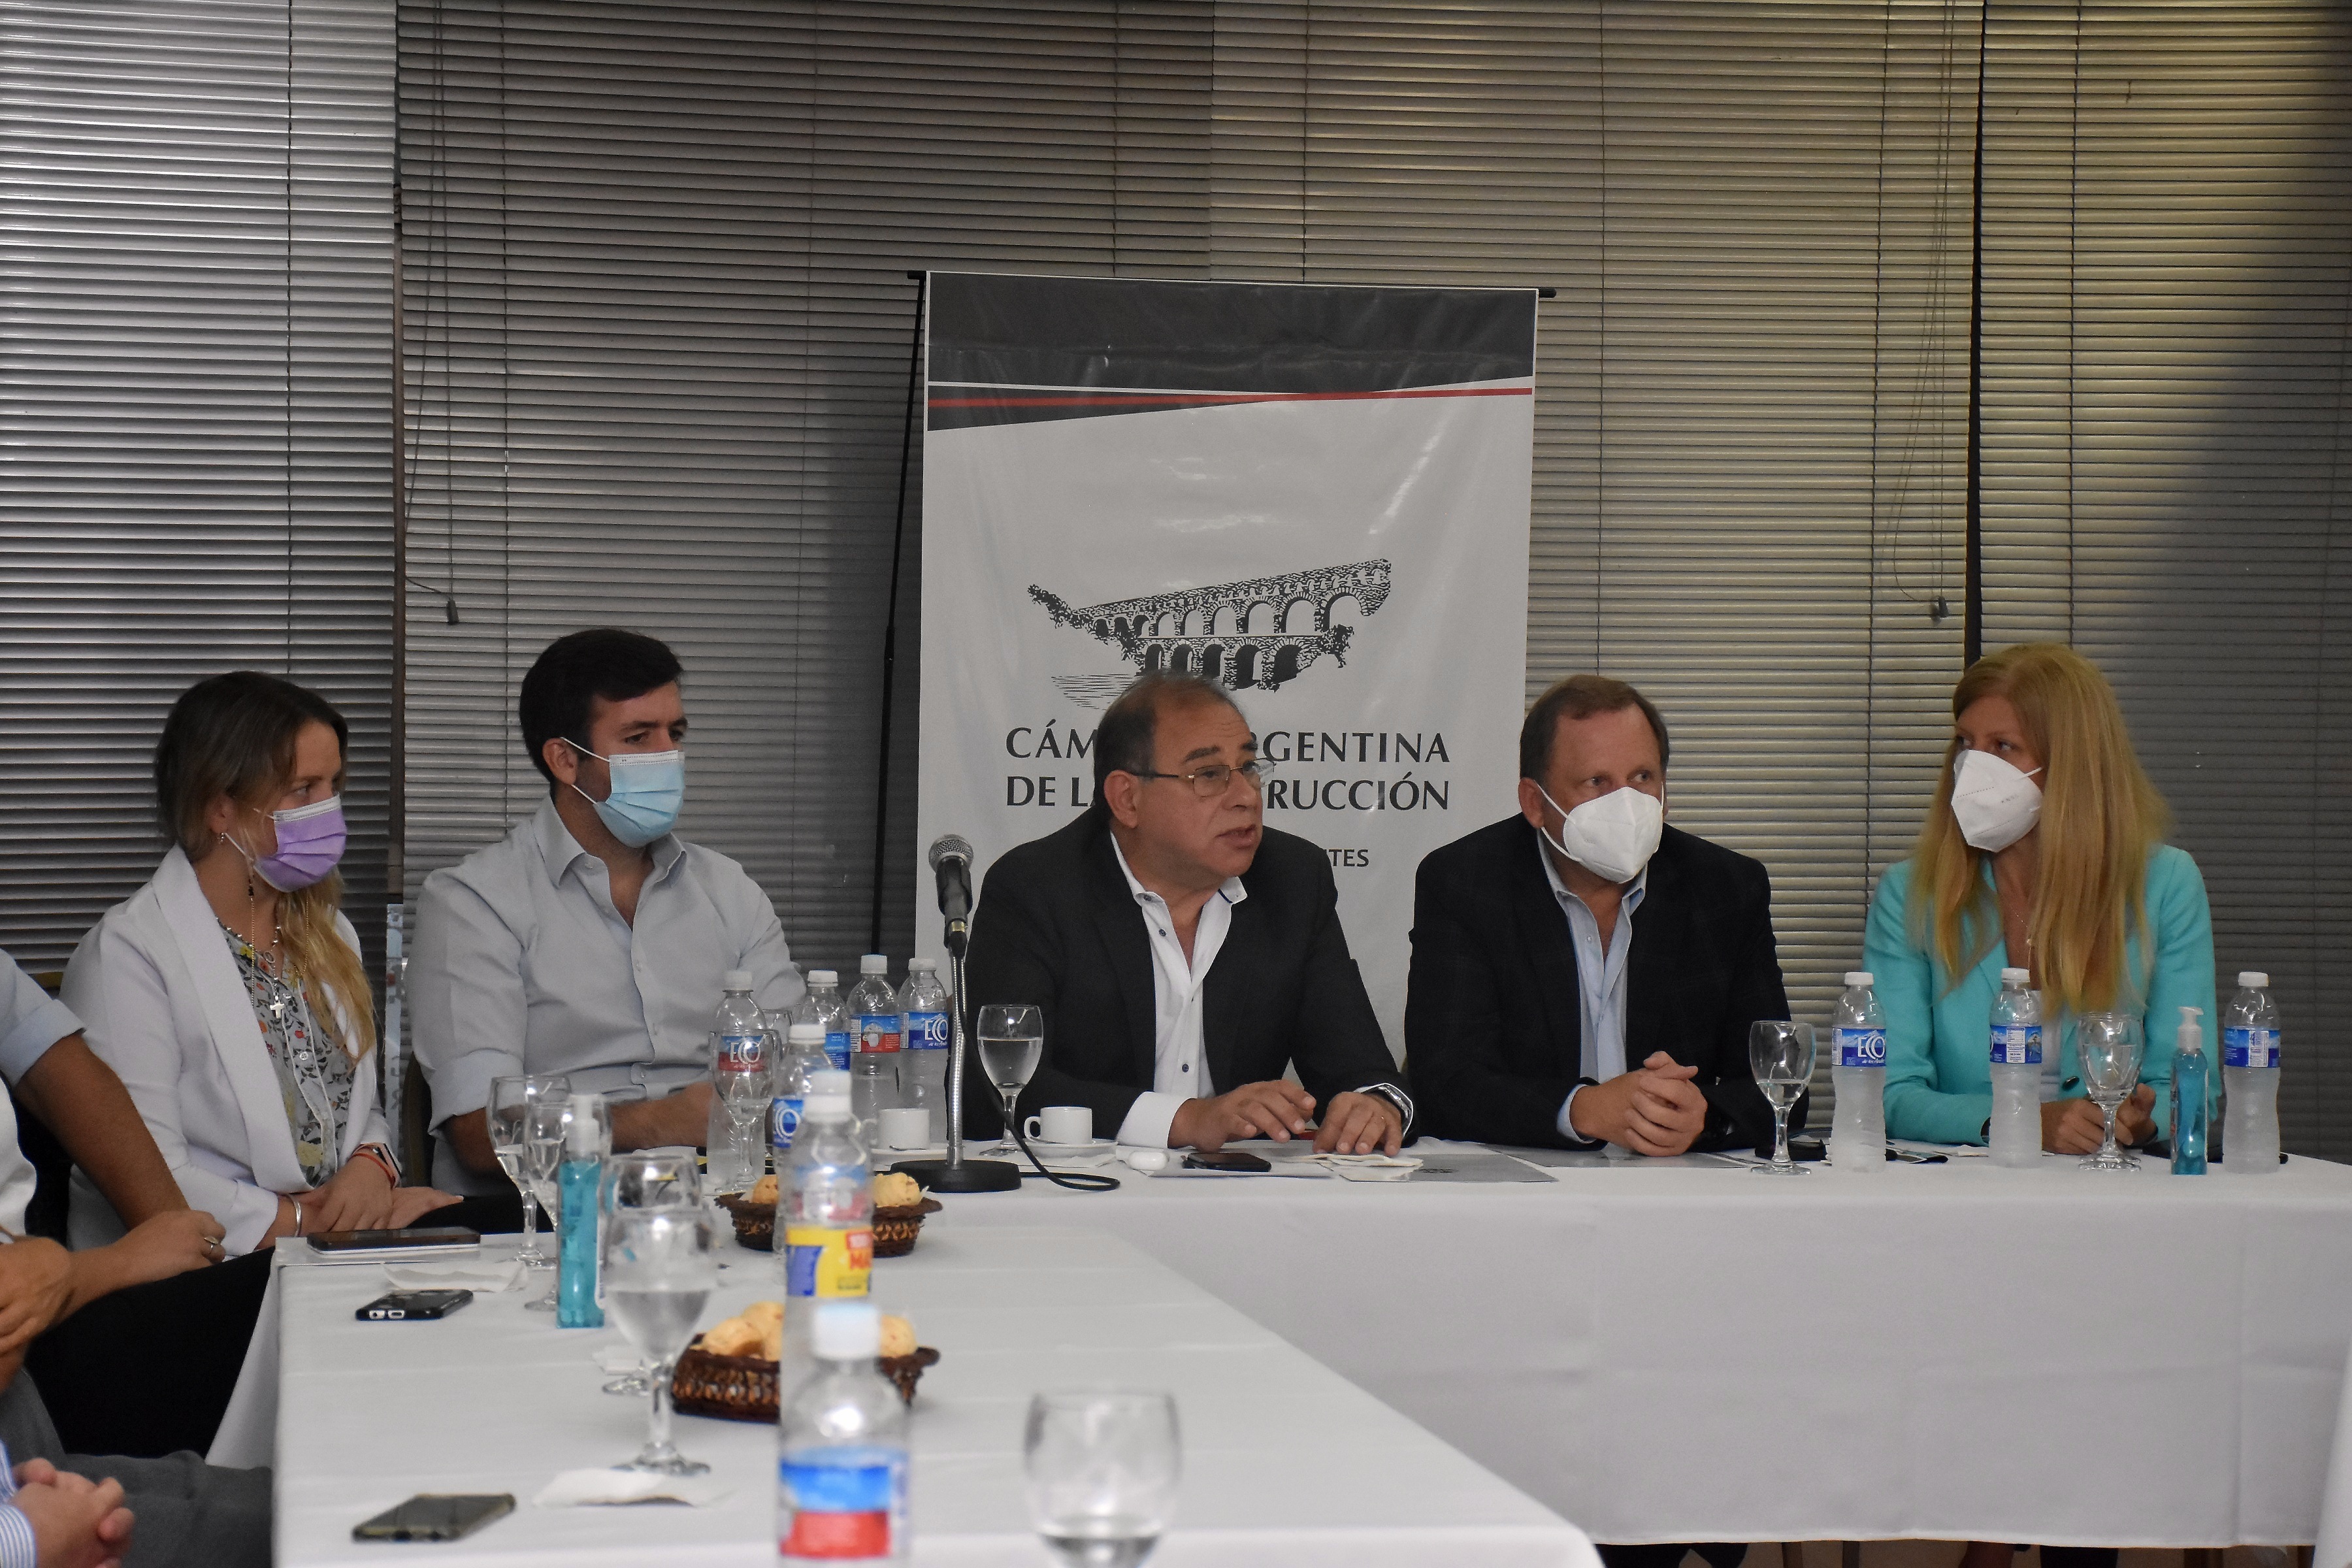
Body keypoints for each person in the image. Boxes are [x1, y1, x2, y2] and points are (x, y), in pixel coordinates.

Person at [65, 672, 457, 1257]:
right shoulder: (128, 955)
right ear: (220, 808)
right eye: (303, 790)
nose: (328, 811)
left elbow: (350, 1110)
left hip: (325, 1251)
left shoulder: (330, 934)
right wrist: (309, 1222)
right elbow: (149, 1176)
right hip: (197, 1272)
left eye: (333, 786)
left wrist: (373, 1168)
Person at [411, 629, 805, 1196]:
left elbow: (796, 1069)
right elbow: (479, 1133)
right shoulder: (475, 902)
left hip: (728, 1195)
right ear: (565, 760)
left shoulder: (730, 891)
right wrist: (658, 1123)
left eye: (675, 734)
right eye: (639, 737)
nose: (667, 756)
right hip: (547, 1211)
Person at [962, 673, 1411, 1155]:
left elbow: (1364, 1070)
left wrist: (1375, 1107)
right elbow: (996, 1091)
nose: (1246, 796)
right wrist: (1187, 1119)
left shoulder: (1293, 880)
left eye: (1249, 767)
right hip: (1086, 1183)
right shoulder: (1037, 889)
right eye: (1209, 775)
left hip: (1239, 1191)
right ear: (1127, 798)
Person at [1407, 674, 1789, 1156]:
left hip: (1675, 1184)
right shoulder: (1465, 883)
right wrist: (1582, 1109)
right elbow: (1444, 1083)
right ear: (1534, 803)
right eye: (1597, 783)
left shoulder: (1726, 888)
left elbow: (1781, 1084)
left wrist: (1704, 1118)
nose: (1625, 804)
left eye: (1642, 778)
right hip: (1528, 1180)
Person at [1867, 642, 2214, 1158]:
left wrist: (2136, 1120)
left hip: (2114, 1181)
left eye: (2004, 746)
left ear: (2072, 765)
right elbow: (1890, 1091)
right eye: (1965, 743)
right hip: (1967, 1180)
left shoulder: (2165, 885)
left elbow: (2188, 1085)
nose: (1973, 767)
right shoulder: (1912, 894)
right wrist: (2022, 1123)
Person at [0, 949, 271, 1567]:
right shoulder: (131, 947)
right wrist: (93, 1267)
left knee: (305, 1504)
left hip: (27, 1402)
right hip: (34, 1357)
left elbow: (56, 1063)